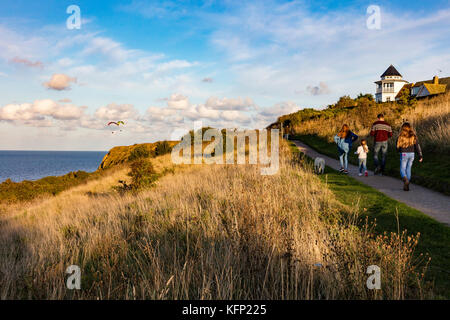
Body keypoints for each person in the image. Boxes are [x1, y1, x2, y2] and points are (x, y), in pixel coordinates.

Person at [396, 122, 423, 191]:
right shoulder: (413, 136)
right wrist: (420, 155)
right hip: (412, 154)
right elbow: (417, 146)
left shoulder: (400, 136)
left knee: (402, 169)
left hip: (404, 153)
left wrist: (398, 151)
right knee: (408, 169)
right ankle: (407, 184)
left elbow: (397, 146)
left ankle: (405, 179)